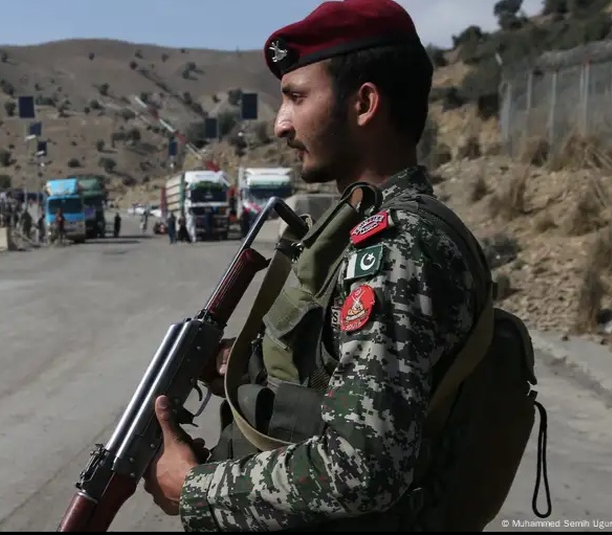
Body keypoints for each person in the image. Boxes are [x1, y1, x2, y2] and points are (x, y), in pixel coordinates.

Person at [141, 0, 542, 531]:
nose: (281, 124)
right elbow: (358, 382)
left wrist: (197, 489)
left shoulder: (396, 249)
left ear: (365, 103)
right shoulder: (375, 231)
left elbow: (363, 465)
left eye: (297, 97)